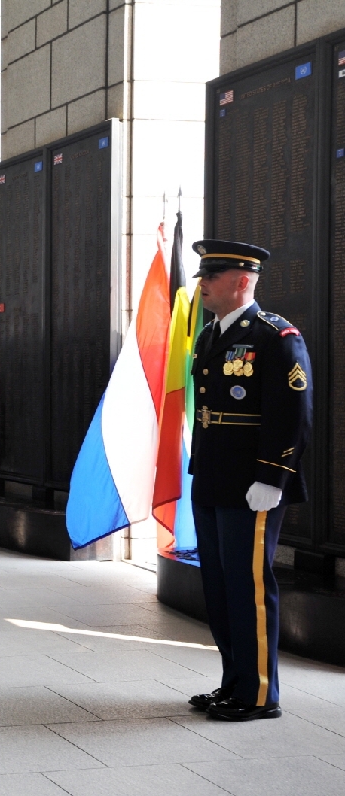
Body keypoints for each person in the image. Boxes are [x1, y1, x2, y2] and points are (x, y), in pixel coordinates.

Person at [185, 239, 312, 722]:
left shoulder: (275, 336)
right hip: (212, 479)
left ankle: (259, 695)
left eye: (211, 277)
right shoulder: (207, 336)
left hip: (252, 486)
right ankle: (233, 683)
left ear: (241, 281)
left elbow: (293, 414)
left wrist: (274, 476)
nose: (203, 286)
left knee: (249, 586)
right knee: (218, 587)